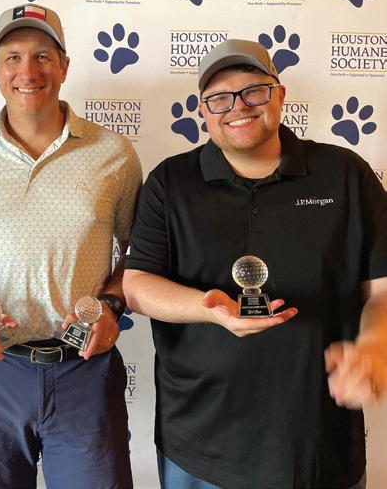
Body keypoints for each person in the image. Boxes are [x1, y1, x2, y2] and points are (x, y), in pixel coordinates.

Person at [123, 38, 387, 489]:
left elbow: (381, 289)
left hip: (317, 444)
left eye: (254, 91)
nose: (238, 107)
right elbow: (137, 285)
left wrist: (375, 347)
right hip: (200, 445)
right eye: (219, 98)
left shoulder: (345, 173)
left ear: (279, 95)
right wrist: (209, 309)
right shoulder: (170, 182)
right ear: (203, 111)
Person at [0, 3, 142, 489]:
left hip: (84, 370)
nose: (28, 72)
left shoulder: (114, 153)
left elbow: (139, 254)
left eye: (43, 56)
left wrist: (110, 306)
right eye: (12, 57)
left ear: (64, 66)